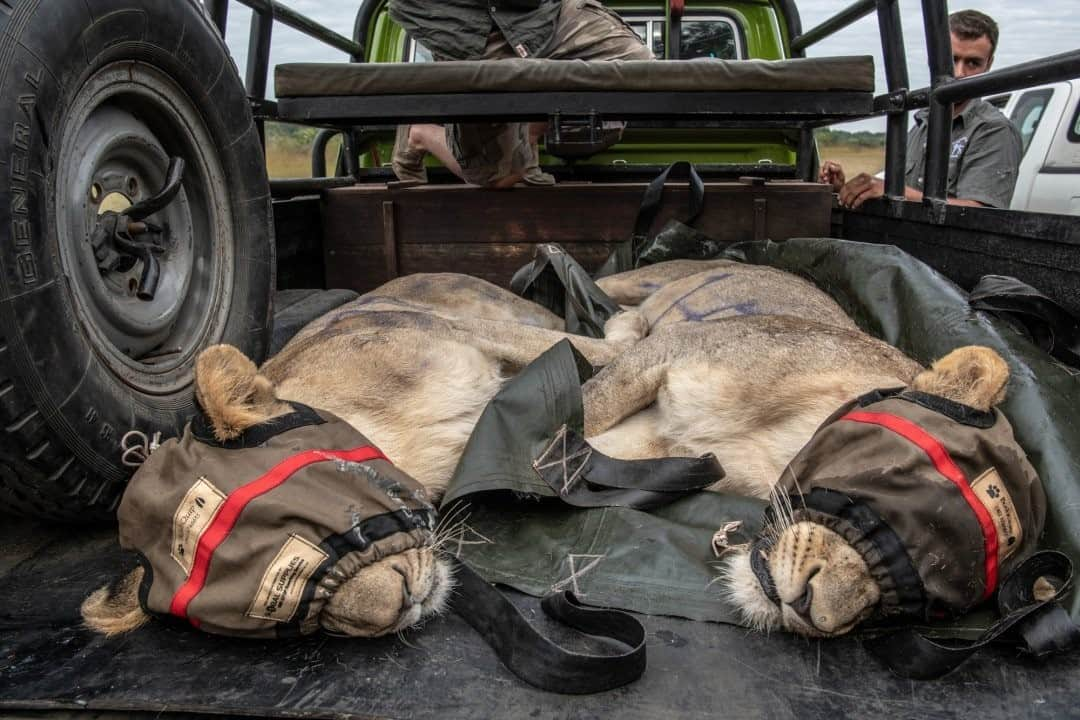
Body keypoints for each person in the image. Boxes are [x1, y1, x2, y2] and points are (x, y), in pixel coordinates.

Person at [388, 0, 654, 188]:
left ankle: (528, 134)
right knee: (498, 178)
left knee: (639, 69)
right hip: (470, 31)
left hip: (540, 15)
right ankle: (420, 132)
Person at [820, 9, 1022, 209]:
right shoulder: (922, 125)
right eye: (951, 59)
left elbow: (980, 215)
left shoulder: (993, 131)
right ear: (934, 57)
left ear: (988, 64)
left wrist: (895, 192)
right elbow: (901, 192)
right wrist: (846, 190)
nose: (960, 73)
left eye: (973, 63)